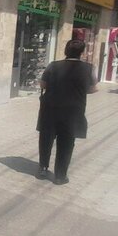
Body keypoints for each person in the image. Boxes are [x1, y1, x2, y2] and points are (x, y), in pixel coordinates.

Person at [37, 39, 99, 185]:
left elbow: (43, 84)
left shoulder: (53, 65)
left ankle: (43, 169)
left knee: (46, 138)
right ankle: (60, 176)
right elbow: (93, 88)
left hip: (50, 109)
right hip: (73, 111)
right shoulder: (89, 68)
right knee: (66, 142)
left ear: (66, 50)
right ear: (81, 52)